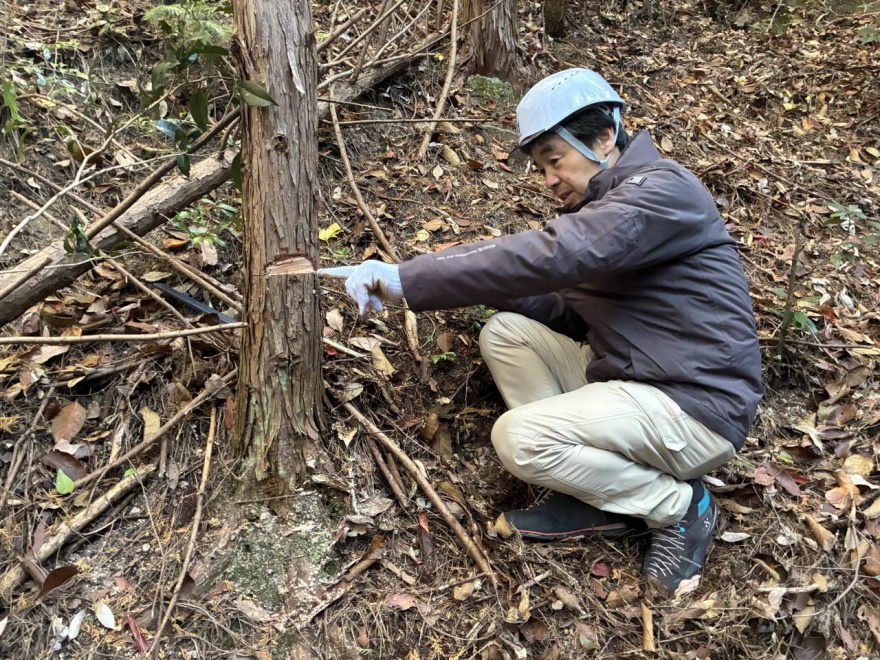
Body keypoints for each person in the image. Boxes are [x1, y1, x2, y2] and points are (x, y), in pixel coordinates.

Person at [319, 68, 763, 594]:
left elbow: (555, 253)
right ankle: (590, 490)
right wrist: (482, 286)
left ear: (604, 138)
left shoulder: (661, 190)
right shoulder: (608, 212)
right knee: (508, 332)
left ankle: (680, 506)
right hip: (638, 383)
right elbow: (567, 311)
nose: (548, 178)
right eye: (540, 166)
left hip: (695, 406)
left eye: (555, 160)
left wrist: (411, 278)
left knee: (519, 437)